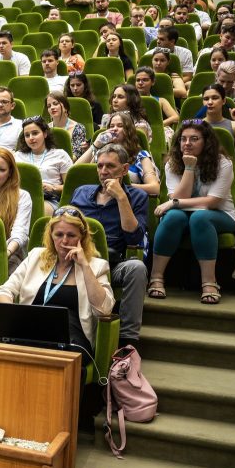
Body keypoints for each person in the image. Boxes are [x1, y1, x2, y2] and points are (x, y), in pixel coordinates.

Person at [0, 207, 114, 359]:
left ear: (82, 237)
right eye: (59, 234)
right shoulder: (36, 257)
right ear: (51, 236)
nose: (64, 241)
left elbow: (104, 310)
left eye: (71, 235)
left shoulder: (96, 266)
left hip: (71, 343)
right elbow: (4, 291)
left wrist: (84, 266)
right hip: (31, 335)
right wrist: (14, 316)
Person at [69, 143, 149, 347]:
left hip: (111, 264)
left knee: (137, 268)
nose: (103, 172)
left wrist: (121, 197)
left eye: (110, 167)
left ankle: (126, 341)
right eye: (100, 166)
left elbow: (133, 239)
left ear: (124, 169)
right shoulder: (81, 192)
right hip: (75, 259)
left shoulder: (137, 197)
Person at [148, 121, 235, 304]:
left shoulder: (223, 163)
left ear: (206, 142)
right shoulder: (173, 163)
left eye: (194, 139)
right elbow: (179, 198)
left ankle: (209, 283)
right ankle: (156, 277)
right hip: (183, 214)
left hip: (220, 214)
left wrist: (173, 202)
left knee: (199, 217)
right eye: (183, 139)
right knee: (173, 216)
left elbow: (212, 202)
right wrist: (188, 168)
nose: (187, 143)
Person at [14, 117, 73, 215]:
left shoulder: (60, 155)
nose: (31, 138)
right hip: (19, 198)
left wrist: (53, 188)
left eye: (35, 133)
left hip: (48, 199)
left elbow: (70, 187)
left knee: (37, 211)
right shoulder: (17, 156)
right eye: (27, 135)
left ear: (45, 134)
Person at [195, 83, 235, 157]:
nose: (210, 102)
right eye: (206, 99)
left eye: (215, 98)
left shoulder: (234, 125)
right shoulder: (195, 125)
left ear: (223, 101)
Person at [134, 66, 179, 145]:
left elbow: (175, 117)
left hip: (158, 131)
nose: (140, 83)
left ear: (153, 82)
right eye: (138, 80)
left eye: (145, 80)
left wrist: (158, 125)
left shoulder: (161, 100)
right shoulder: (128, 100)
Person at [45, 92, 89, 160]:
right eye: (49, 106)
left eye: (55, 104)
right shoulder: (45, 128)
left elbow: (76, 154)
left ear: (65, 107)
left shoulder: (78, 128)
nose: (52, 108)